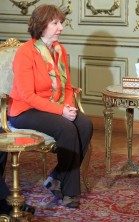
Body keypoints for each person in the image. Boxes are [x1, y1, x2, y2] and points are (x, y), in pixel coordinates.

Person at [8, 4, 93, 209]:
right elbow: (27, 95)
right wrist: (61, 112)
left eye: (61, 23)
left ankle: (56, 178)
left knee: (85, 125)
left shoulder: (59, 50)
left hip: (53, 105)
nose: (60, 27)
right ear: (41, 25)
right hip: (24, 110)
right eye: (55, 23)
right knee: (66, 128)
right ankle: (69, 192)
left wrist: (69, 107)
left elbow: (68, 86)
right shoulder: (25, 52)